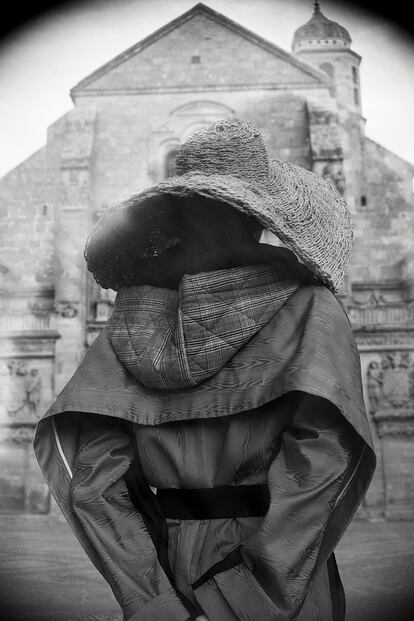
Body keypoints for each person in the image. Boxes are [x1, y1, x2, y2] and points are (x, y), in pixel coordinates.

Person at [34, 120, 376, 621]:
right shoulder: (309, 309)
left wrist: (154, 600)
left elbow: (89, 475)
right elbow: (324, 465)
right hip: (282, 578)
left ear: (172, 217)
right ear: (262, 219)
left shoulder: (126, 322)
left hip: (171, 568)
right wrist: (247, 598)